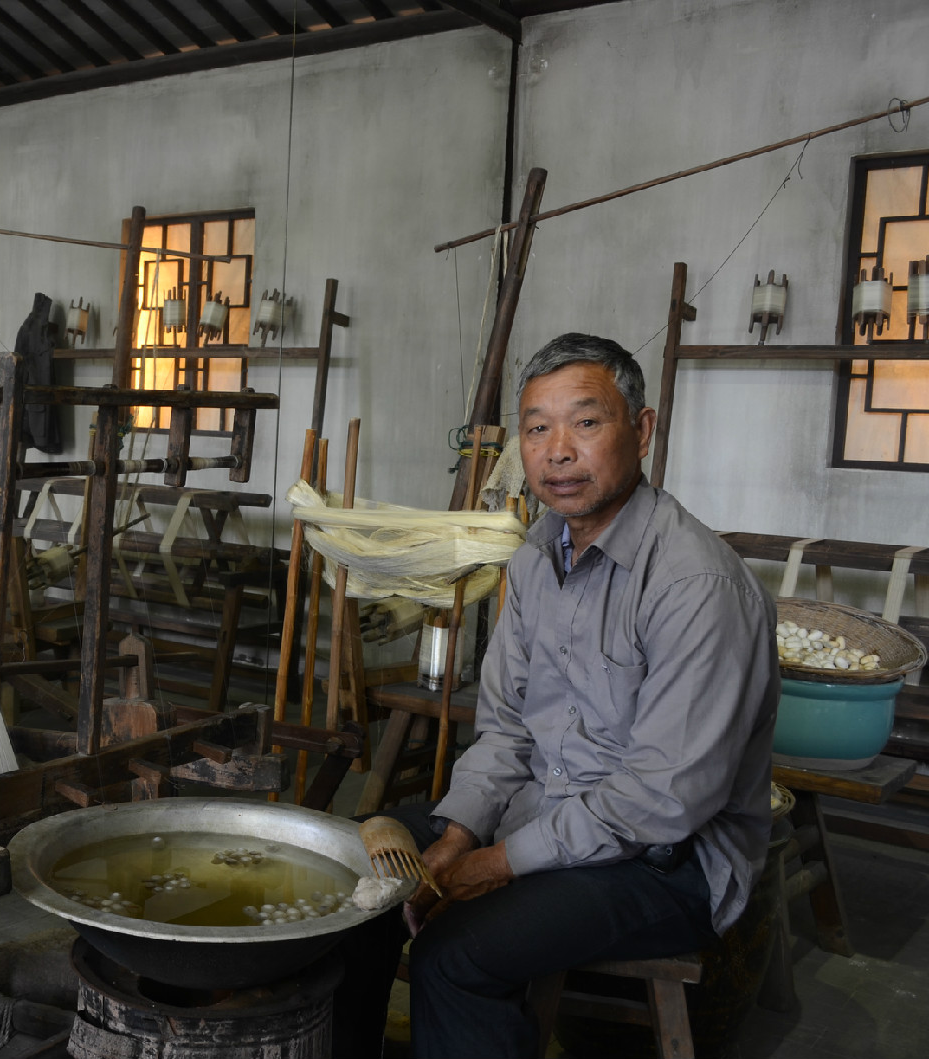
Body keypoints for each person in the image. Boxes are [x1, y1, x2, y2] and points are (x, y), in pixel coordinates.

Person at [332, 333, 779, 1057]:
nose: (557, 450)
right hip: (548, 811)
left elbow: (662, 800)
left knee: (458, 952)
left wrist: (496, 864)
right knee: (355, 884)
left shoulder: (697, 585)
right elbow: (506, 728)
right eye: (537, 427)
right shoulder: (539, 556)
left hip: (668, 863)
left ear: (642, 428)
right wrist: (459, 835)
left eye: (586, 422)